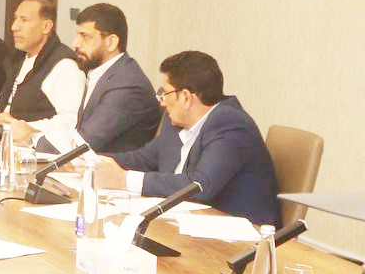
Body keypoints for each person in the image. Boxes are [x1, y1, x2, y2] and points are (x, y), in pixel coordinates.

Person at [94, 50, 281, 225]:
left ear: (185, 97)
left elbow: (199, 186)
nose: (161, 101)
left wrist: (124, 180)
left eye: (165, 93)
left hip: (238, 232)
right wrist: (93, 161)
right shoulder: (175, 122)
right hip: (184, 223)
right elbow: (145, 158)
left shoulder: (230, 124)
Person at [0, 0, 85, 152]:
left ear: (46, 26)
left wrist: (25, 127)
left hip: (34, 151)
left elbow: (70, 121)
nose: (14, 27)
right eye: (15, 19)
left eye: (24, 20)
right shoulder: (19, 58)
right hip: (3, 141)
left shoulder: (64, 65)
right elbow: (3, 105)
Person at [69, 3, 160, 153]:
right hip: (88, 164)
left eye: (85, 36)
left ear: (111, 42)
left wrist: (33, 138)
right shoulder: (100, 72)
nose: (75, 43)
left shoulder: (127, 84)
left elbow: (84, 144)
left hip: (114, 166)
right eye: (78, 35)